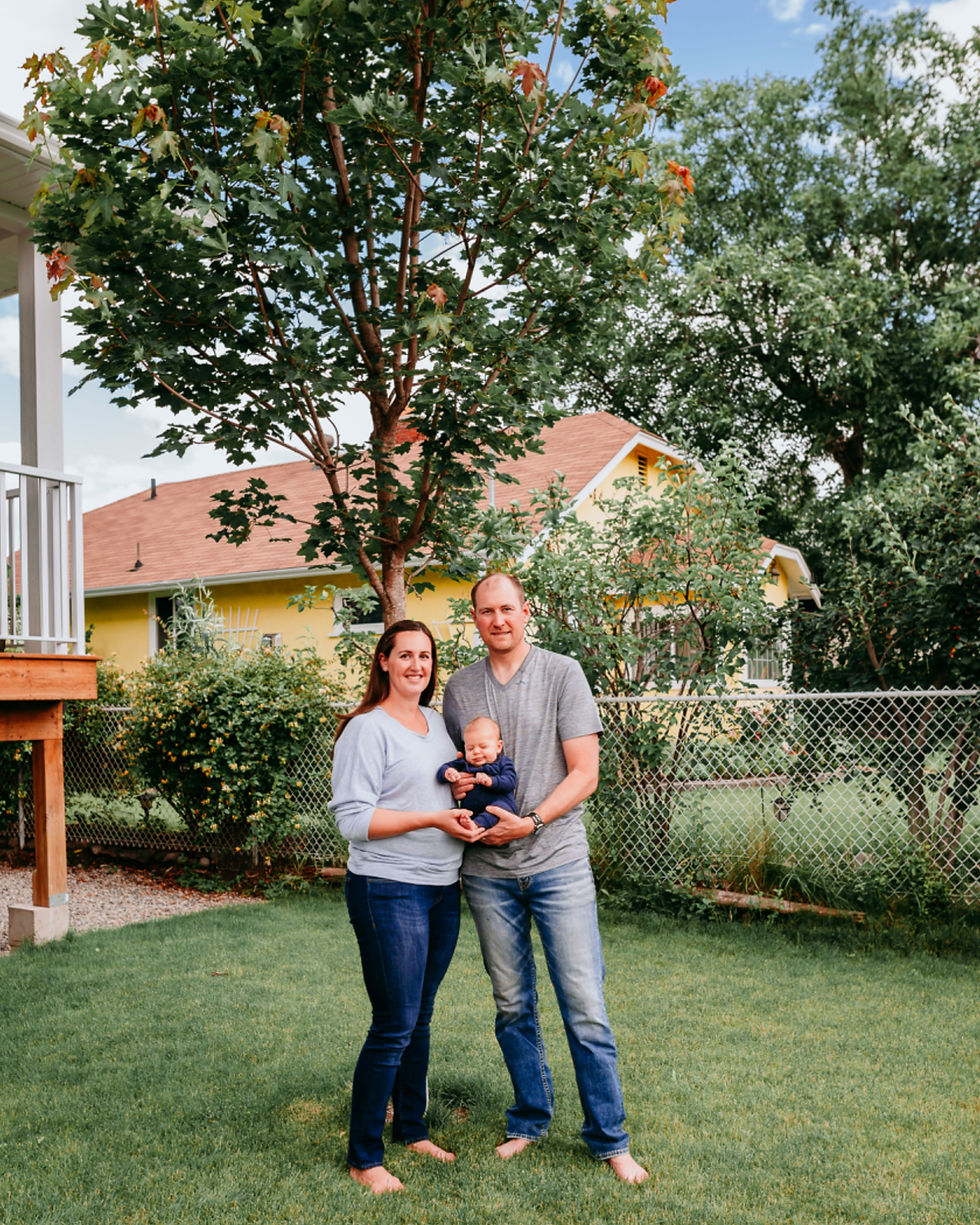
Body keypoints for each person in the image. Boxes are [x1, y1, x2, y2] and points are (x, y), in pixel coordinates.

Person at [442, 574, 648, 1185]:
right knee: (512, 1006)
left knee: (584, 1005)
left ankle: (610, 1139)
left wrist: (529, 822)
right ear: (474, 618)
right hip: (485, 872)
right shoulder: (459, 688)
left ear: (525, 612)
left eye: (508, 608)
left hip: (557, 861)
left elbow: (585, 772)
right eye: (486, 611)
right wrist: (458, 790)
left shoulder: (563, 673)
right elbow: (461, 769)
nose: (498, 619)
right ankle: (529, 1119)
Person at [330, 619, 486, 1194]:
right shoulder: (366, 730)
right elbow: (355, 820)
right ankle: (364, 1155)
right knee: (394, 1021)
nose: (416, 665)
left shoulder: (437, 727)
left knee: (419, 1015)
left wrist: (461, 792)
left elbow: (435, 785)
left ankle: (412, 1129)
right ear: (383, 662)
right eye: (405, 655)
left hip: (442, 886)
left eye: (425, 656)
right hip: (387, 888)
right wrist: (431, 816)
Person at [436, 715, 518, 829]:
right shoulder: (464, 763)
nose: (476, 752)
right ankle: (467, 824)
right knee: (456, 812)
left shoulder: (503, 763)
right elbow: (443, 769)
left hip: (499, 807)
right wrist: (447, 772)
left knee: (498, 808)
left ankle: (476, 825)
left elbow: (510, 782)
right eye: (470, 748)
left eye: (483, 746)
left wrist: (491, 781)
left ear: (498, 747)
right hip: (472, 811)